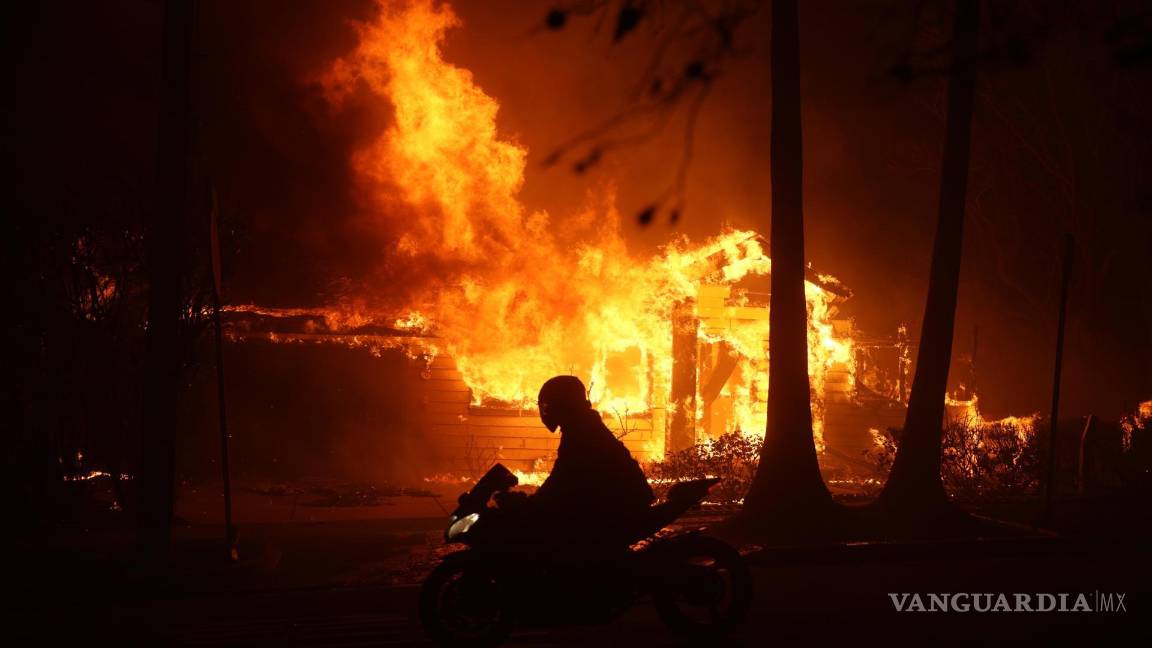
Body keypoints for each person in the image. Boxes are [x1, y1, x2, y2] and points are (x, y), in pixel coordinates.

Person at [516, 375, 655, 545]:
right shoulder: (583, 425)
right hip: (618, 508)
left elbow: (561, 480)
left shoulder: (582, 433)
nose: (546, 411)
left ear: (563, 404)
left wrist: (531, 505)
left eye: (549, 405)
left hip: (615, 516)